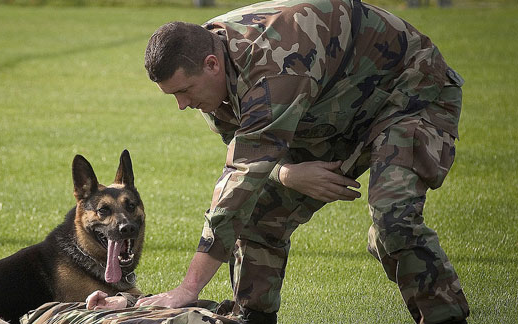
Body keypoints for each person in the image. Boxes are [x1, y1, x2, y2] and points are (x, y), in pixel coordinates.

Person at [135, 0, 470, 323]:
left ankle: (440, 312)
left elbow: (239, 183)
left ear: (211, 64)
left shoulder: (273, 63)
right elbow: (247, 154)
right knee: (259, 215)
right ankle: (252, 317)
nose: (181, 105)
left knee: (393, 218)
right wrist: (287, 173)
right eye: (173, 95)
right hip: (331, 110)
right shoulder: (212, 81)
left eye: (185, 91)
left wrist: (188, 289)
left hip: (410, 92)